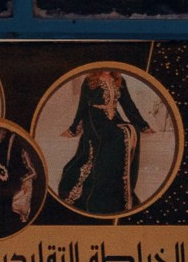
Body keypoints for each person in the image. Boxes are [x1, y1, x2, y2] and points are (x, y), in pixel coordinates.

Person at [57, 67, 149, 216]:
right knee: (114, 137)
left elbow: (128, 104)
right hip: (94, 119)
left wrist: (143, 125)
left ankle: (116, 187)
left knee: (131, 130)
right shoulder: (90, 80)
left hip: (114, 118)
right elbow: (82, 106)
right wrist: (73, 129)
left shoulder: (120, 80)